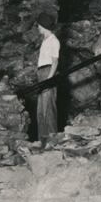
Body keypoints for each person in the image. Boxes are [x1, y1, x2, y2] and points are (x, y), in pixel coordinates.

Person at [36, 13, 60, 144]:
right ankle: (42, 140)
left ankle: (52, 140)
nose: (38, 27)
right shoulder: (45, 40)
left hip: (48, 73)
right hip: (41, 73)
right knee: (40, 110)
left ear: (43, 26)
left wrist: (49, 79)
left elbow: (55, 62)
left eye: (39, 25)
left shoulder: (54, 40)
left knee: (48, 108)